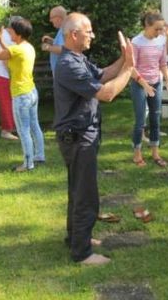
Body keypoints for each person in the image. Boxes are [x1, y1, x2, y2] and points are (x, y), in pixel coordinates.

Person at [53, 13, 134, 265]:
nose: (93, 35)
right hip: (78, 138)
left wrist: (123, 57)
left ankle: (77, 237)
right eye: (88, 31)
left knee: (78, 190)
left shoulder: (78, 59)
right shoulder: (68, 65)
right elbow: (107, 93)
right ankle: (82, 252)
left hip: (81, 135)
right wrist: (130, 69)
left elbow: (103, 75)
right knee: (85, 194)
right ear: (73, 35)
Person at [0, 18, 45, 172]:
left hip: (21, 95)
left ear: (18, 33)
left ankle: (28, 164)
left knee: (23, 130)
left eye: (11, 30)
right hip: (31, 92)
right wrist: (2, 43)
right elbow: (9, 58)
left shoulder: (16, 49)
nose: (9, 31)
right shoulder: (28, 47)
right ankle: (39, 155)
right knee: (35, 126)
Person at [130, 10, 168, 168]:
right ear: (147, 26)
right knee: (140, 120)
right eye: (156, 29)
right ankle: (137, 154)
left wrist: (167, 81)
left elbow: (162, 62)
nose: (159, 32)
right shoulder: (136, 42)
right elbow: (131, 68)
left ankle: (155, 153)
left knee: (155, 119)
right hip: (139, 84)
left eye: (161, 29)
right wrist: (144, 85)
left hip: (155, 83)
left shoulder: (161, 41)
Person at [0, 17, 21, 141]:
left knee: (11, 101)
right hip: (4, 74)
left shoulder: (7, 34)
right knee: (6, 102)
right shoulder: (6, 36)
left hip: (6, 74)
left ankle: (13, 127)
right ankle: (6, 130)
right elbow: (5, 58)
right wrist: (13, 74)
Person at [41, 6, 67, 73]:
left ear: (58, 18)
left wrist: (48, 47)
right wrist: (52, 41)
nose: (50, 20)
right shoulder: (63, 29)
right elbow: (61, 45)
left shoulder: (64, 30)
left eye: (51, 18)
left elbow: (64, 49)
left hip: (62, 74)